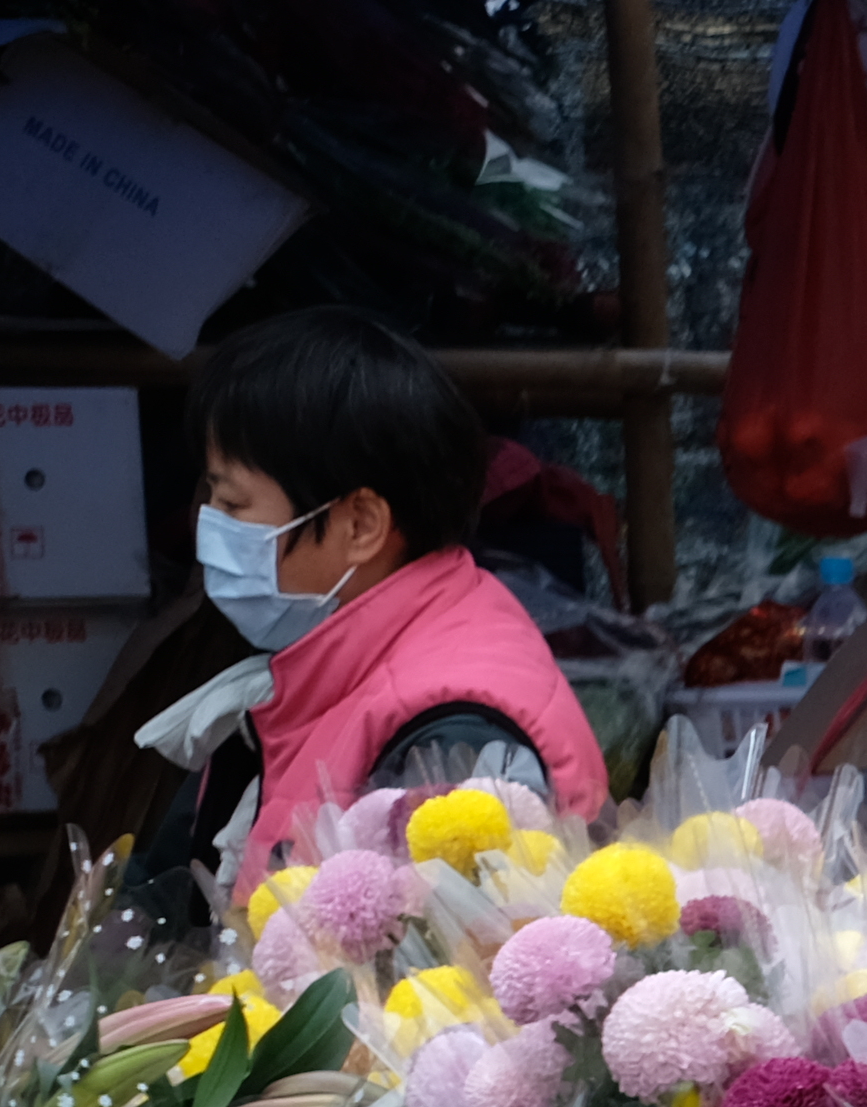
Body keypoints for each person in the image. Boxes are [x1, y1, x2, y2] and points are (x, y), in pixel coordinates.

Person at [138, 306, 607, 895]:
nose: (207, 524)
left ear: (360, 524)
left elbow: (437, 966)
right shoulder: (328, 667)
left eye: (233, 505)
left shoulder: (455, 734)